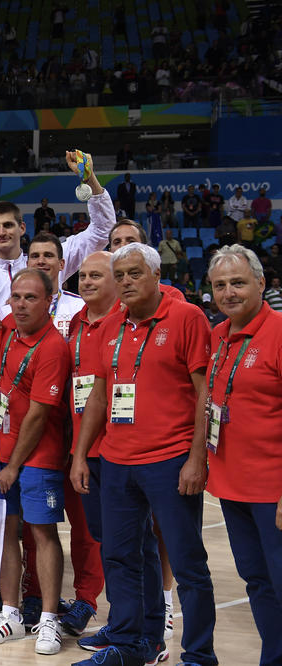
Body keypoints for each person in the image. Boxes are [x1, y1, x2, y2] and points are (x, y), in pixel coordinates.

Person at [70, 243, 215, 666]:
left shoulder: (185, 317)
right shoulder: (112, 324)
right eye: (121, 275)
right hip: (115, 460)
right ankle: (135, 643)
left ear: (156, 275)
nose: (127, 282)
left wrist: (196, 457)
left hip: (170, 459)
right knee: (120, 554)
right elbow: (99, 394)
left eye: (135, 273)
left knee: (188, 563)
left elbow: (205, 392)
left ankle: (200, 655)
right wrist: (81, 455)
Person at [0, 268, 70, 657]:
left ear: (49, 300)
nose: (21, 304)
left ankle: (49, 619)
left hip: (36, 457)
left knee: (43, 533)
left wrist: (13, 465)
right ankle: (10, 613)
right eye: (16, 296)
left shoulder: (54, 347)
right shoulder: (9, 327)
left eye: (31, 298)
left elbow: (38, 414)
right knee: (6, 531)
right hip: (2, 450)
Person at [204, 245, 282, 666]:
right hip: (232, 488)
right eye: (220, 285)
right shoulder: (218, 336)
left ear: (261, 284)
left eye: (238, 283)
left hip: (273, 489)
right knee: (257, 581)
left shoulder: (280, 331)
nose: (229, 293)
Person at [0, 150, 114, 318]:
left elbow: (102, 230)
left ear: (22, 228)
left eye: (8, 225)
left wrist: (89, 178)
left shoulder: (44, 262)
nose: (2, 232)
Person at [59, 251, 118, 638]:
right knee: (85, 531)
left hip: (116, 445)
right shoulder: (77, 322)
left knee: (118, 539)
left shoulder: (126, 322)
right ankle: (88, 602)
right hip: (77, 442)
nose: (87, 282)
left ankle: (131, 619)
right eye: (83, 277)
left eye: (97, 276)